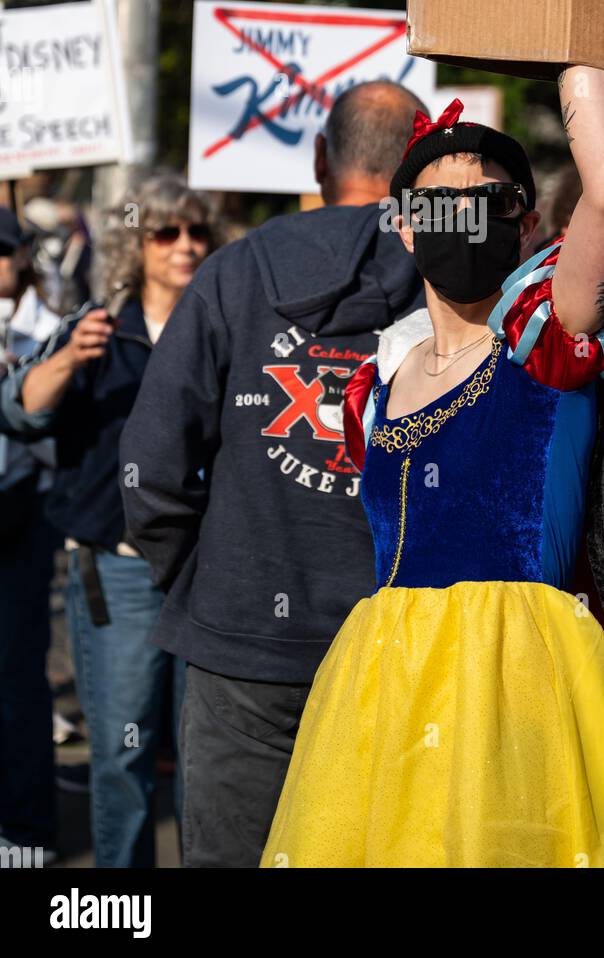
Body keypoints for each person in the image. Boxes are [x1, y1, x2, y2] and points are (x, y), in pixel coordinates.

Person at [261, 72, 604, 869]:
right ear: (401, 226)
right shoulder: (376, 388)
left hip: (520, 695)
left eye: (487, 204)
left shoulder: (548, 343)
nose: (460, 222)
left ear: (526, 224)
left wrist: (575, 46)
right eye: (435, 206)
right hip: (384, 697)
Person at [120, 82, 428, 869]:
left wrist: (198, 580)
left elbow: (149, 463)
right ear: (415, 169)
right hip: (402, 642)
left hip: (244, 644)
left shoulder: (235, 271)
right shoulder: (455, 285)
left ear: (320, 156)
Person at [0, 175, 216, 866]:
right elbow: (20, 406)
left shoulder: (228, 324)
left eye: (196, 232)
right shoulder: (101, 325)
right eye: (166, 232)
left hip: (208, 573)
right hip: (117, 572)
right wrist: (67, 357)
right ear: (138, 243)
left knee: (204, 763)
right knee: (122, 755)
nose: (184, 246)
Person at [0, 208, 61, 860]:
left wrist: (18, 394)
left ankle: (25, 832)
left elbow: (61, 448)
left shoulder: (47, 331)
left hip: (23, 522)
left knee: (18, 678)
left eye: (2, 251)